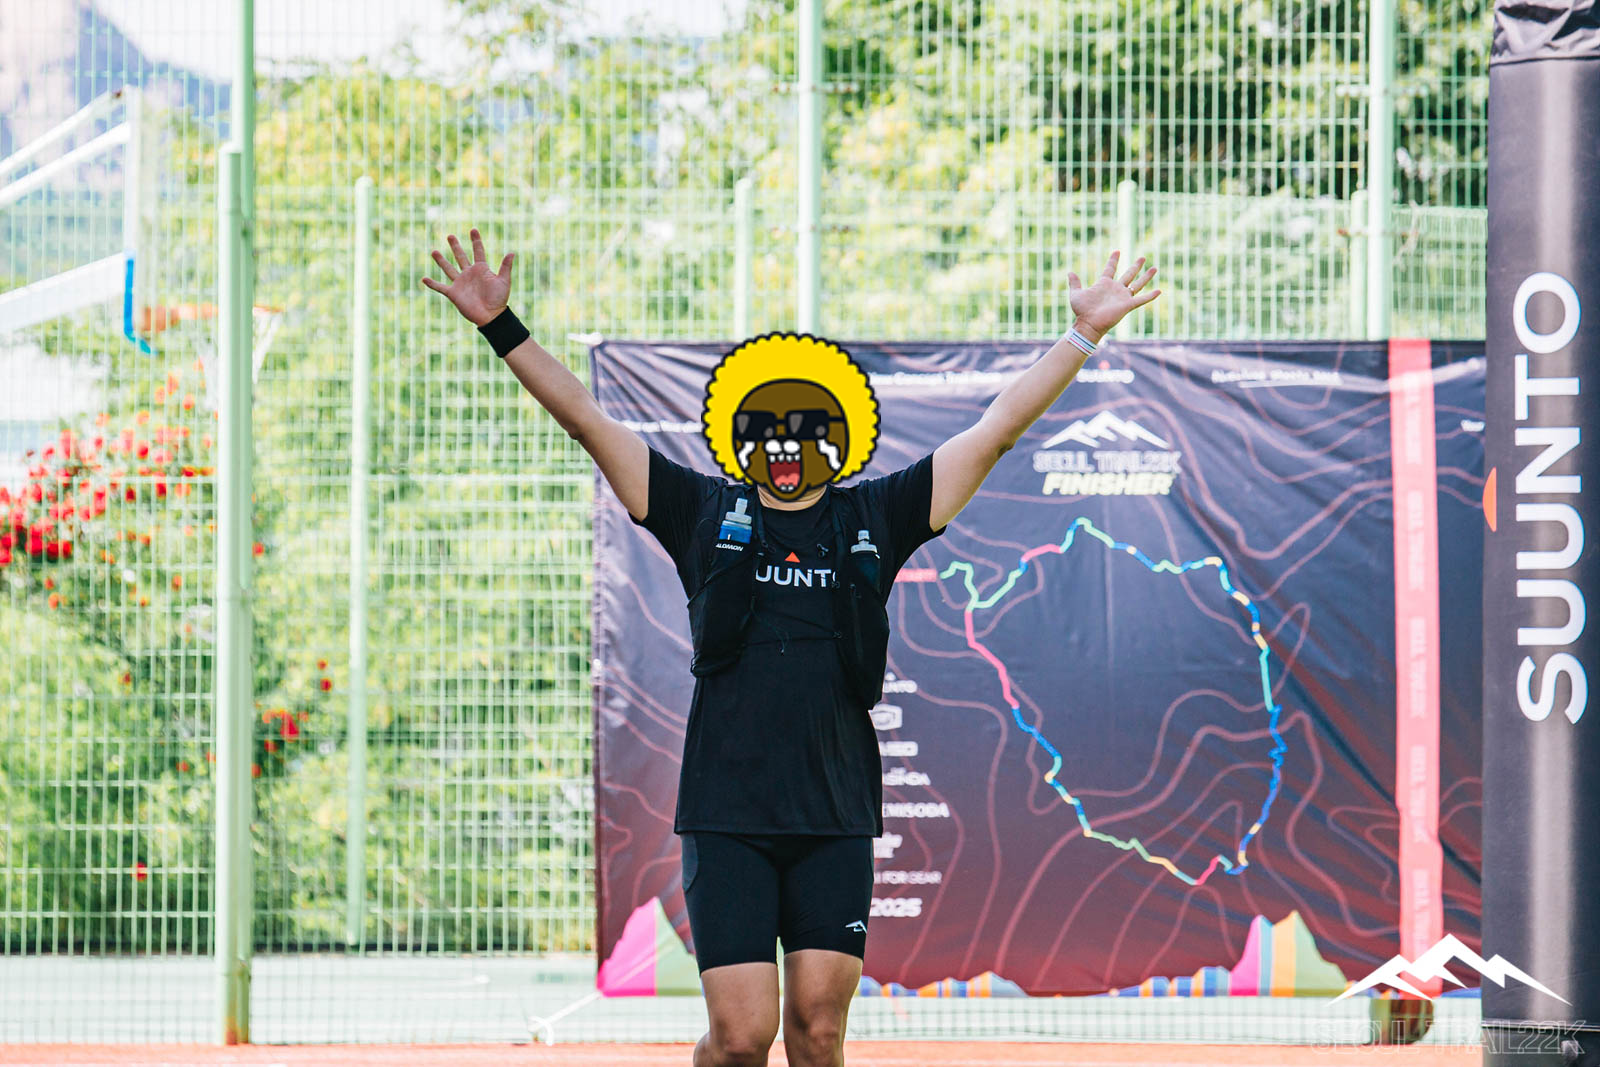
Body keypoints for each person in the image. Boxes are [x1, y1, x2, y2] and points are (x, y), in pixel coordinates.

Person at [422, 229, 1160, 1067]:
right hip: (727, 816)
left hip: (833, 815)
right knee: (742, 1039)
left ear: (839, 437)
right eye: (768, 430)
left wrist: (1083, 334)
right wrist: (500, 324)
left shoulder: (876, 515)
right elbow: (588, 421)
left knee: (817, 1032)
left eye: (805, 430)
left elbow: (994, 431)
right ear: (740, 436)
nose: (785, 446)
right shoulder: (701, 512)